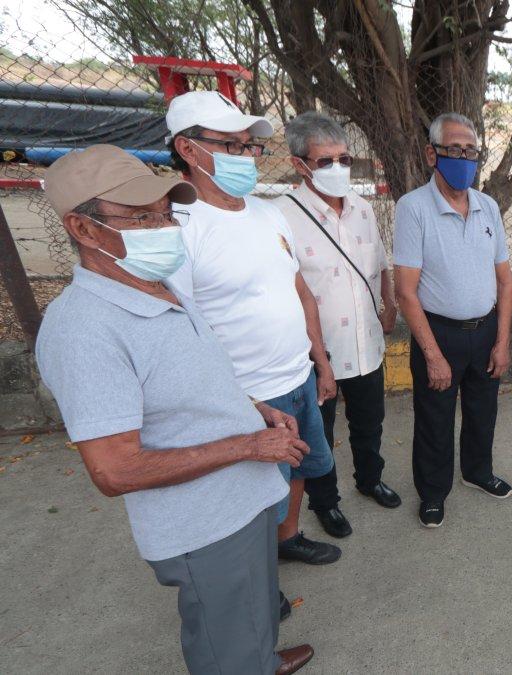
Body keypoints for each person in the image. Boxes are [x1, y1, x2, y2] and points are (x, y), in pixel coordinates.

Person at [36, 145, 314, 674]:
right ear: (84, 228)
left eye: (166, 214)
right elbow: (115, 470)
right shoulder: (84, 330)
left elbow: (193, 382)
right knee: (221, 637)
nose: (163, 227)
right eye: (142, 217)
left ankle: (260, 658)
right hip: (202, 526)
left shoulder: (156, 286)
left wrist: (256, 410)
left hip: (242, 498)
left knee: (250, 608)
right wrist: (250, 445)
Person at [164, 91, 341, 566]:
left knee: (299, 465)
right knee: (251, 495)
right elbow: (179, 332)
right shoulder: (178, 227)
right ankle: (257, 575)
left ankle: (288, 538)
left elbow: (299, 289)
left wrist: (319, 363)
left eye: (250, 146)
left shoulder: (266, 211)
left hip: (297, 378)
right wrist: (244, 403)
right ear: (187, 149)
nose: (246, 157)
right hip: (244, 397)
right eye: (232, 146)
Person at [274, 111, 401, 540]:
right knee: (319, 434)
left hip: (366, 341)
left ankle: (369, 479)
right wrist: (316, 357)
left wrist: (389, 304)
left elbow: (380, 261)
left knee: (370, 422)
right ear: (300, 164)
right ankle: (325, 503)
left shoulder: (363, 208)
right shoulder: (281, 217)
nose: (338, 169)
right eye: (324, 161)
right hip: (317, 352)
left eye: (344, 159)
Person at [393, 112, 512, 528]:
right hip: (438, 332)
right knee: (435, 418)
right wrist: (432, 355)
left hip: (484, 330)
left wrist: (502, 340)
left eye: (472, 152)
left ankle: (477, 472)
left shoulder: (488, 207)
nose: (465, 159)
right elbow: (406, 291)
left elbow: (504, 280)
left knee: (484, 410)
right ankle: (432, 493)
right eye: (455, 150)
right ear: (433, 154)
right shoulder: (413, 209)